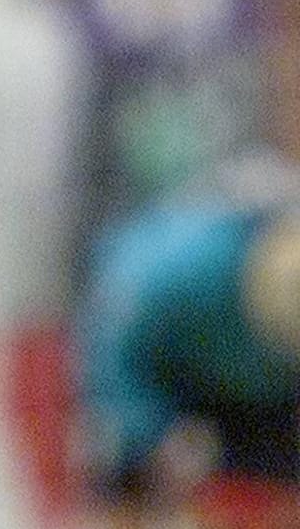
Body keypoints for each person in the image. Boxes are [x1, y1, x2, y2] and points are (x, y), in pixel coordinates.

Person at [75, 202, 300, 529]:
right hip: (157, 371)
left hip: (253, 389)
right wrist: (141, 433)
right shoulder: (175, 276)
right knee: (126, 469)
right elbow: (113, 350)